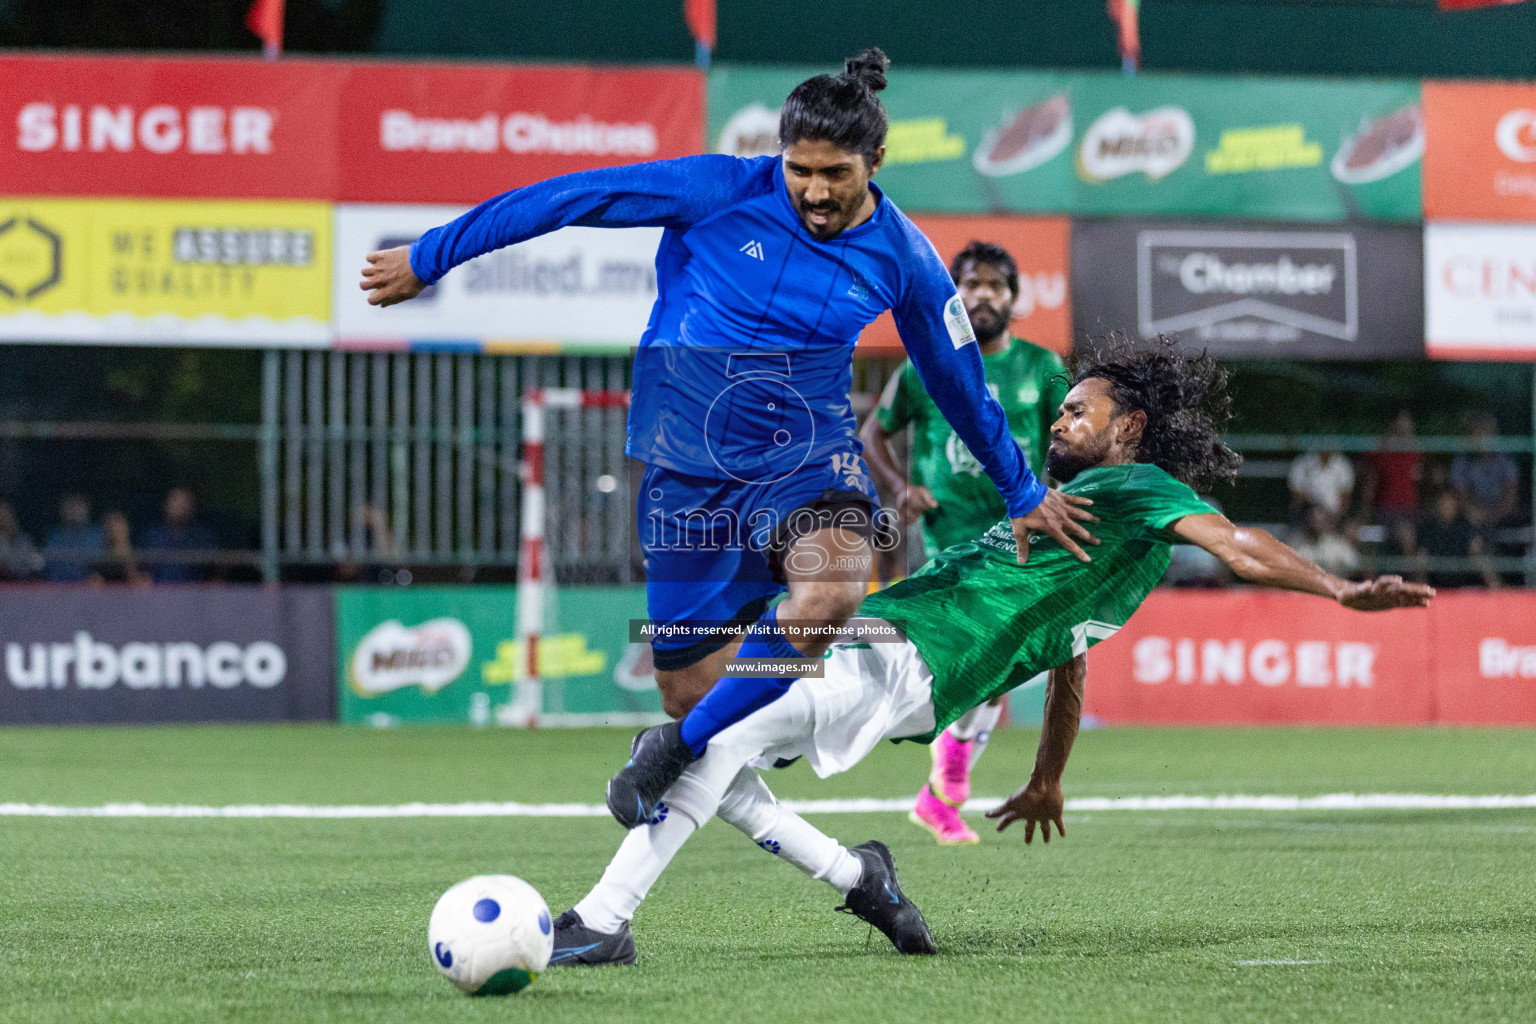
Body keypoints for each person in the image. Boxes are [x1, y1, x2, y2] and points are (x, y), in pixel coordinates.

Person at [359, 49, 1096, 827]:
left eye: (834, 174)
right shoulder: (717, 189)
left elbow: (957, 379)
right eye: (799, 170)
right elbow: (574, 196)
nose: (813, 190)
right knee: (691, 698)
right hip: (688, 468)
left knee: (836, 588)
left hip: (809, 458)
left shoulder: (906, 258)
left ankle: (693, 744)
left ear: (875, 160)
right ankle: (840, 859)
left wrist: (1021, 489)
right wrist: (431, 256)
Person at [545, 337, 1432, 965]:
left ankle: (604, 918)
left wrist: (1341, 590)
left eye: (1080, 410)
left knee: (708, 731)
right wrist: (1049, 776)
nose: (1061, 417)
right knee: (709, 723)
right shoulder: (1101, 542)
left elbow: (1238, 544)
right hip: (889, 642)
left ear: (1131, 429)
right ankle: (860, 875)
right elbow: (1069, 666)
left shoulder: (1141, 488)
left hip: (911, 658)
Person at [859, 240, 1066, 845]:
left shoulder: (1043, 366)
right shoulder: (927, 364)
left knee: (995, 664)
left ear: (1014, 298)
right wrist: (900, 488)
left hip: (1020, 534)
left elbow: (1076, 441)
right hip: (948, 534)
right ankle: (940, 782)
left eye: (996, 286)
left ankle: (939, 789)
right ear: (954, 295)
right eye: (971, 285)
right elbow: (874, 434)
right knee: (974, 658)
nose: (983, 296)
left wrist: (1065, 498)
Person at [1361, 408, 1420, 557]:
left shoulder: (1416, 451)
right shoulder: (1382, 451)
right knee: (1369, 540)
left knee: (1408, 537)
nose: (1404, 427)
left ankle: (1411, 579)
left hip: (1409, 512)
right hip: (1385, 512)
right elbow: (1370, 484)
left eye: (1407, 423)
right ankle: (1372, 580)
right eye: (1401, 423)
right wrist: (1366, 512)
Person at [1414, 489, 1498, 590]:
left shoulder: (1464, 525)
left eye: (1450, 503)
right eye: (1443, 504)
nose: (1447, 507)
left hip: (1463, 576)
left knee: (1481, 557)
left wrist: (1475, 549)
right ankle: (1420, 592)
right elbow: (1423, 552)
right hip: (1437, 576)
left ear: (1456, 505)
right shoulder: (1429, 526)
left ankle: (1495, 590)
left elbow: (1475, 547)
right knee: (1420, 560)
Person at [1450, 414, 1518, 530]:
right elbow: (1460, 497)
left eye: (1485, 433)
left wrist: (1495, 515)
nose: (1481, 439)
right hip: (1471, 517)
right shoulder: (1462, 461)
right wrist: (1474, 513)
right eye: (1477, 433)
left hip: (1502, 515)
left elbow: (1510, 495)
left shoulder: (1505, 459)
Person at [139, 487, 219, 583]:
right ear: (166, 505)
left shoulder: (203, 538)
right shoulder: (152, 536)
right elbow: (144, 576)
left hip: (195, 595)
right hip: (158, 594)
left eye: (184, 502)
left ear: (192, 507)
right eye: (175, 501)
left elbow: (218, 569)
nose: (180, 507)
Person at [44, 493, 103, 583]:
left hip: (93, 591)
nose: (75, 510)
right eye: (70, 506)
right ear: (62, 510)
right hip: (58, 590)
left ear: (87, 509)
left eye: (79, 505)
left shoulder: (98, 534)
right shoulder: (54, 537)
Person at [1287, 448, 1354, 523]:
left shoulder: (1342, 463)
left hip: (1335, 517)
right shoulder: (1302, 462)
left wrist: (1333, 516)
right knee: (1316, 515)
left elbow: (1346, 497)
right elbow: (1297, 496)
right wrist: (1318, 510)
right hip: (1309, 515)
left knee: (1351, 528)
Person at [92, 511, 148, 586]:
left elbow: (145, 586)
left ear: (127, 526)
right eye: (108, 523)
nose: (112, 527)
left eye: (117, 521)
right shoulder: (99, 562)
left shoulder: (142, 558)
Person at [0, 500, 44, 581]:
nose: (4, 520)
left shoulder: (25, 541)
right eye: (1, 516)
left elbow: (36, 565)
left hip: (22, 586)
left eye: (6, 514)